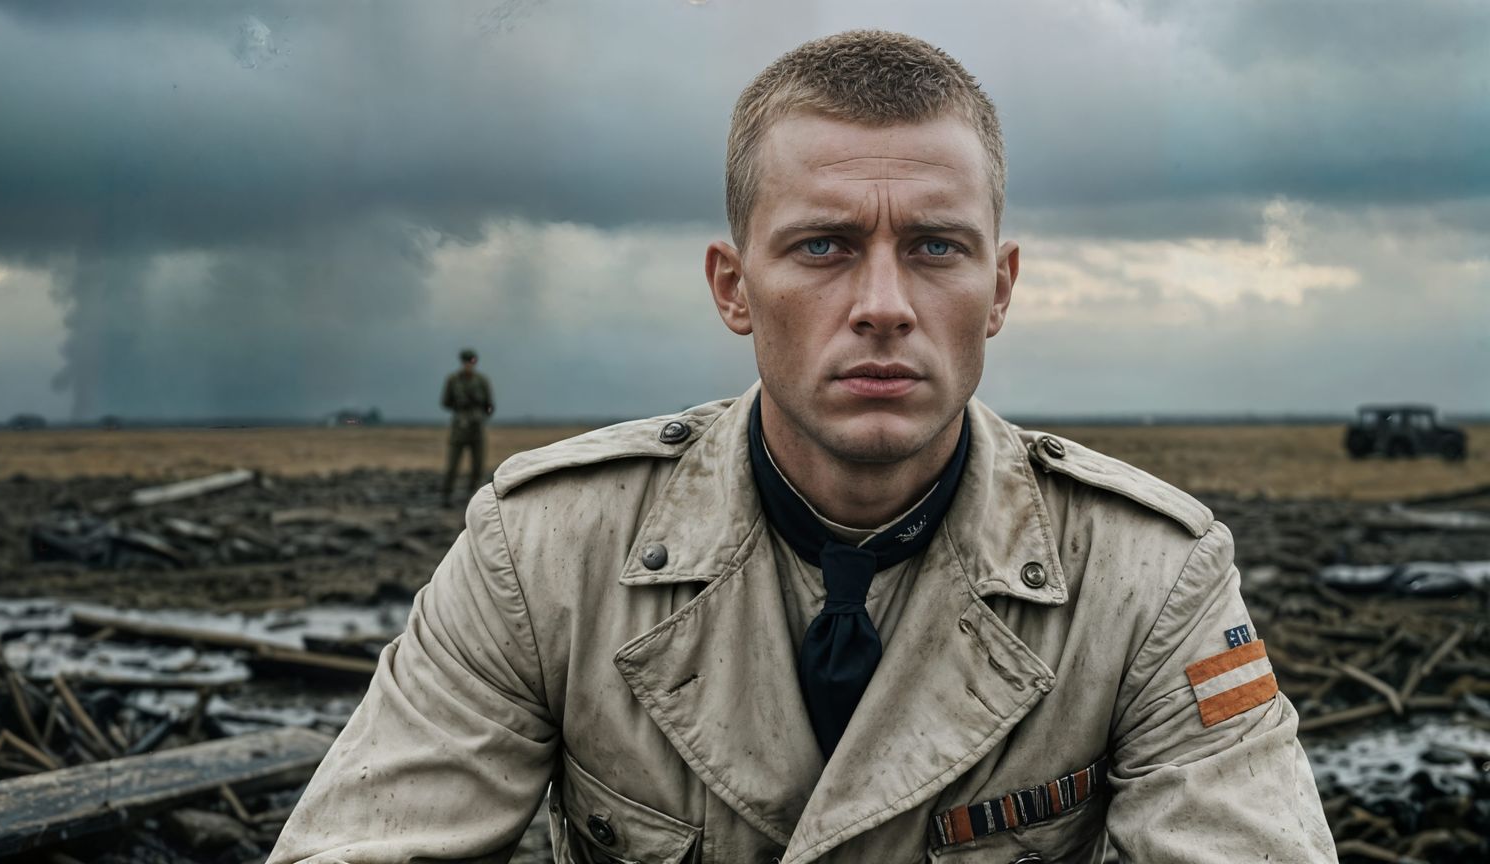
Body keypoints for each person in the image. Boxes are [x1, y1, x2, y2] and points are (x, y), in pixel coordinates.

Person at [271, 31, 1336, 863]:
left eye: (935, 248)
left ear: (999, 289)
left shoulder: (1148, 579)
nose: (883, 305)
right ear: (734, 288)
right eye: (824, 246)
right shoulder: (546, 555)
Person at [439, 347, 494, 505]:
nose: (469, 364)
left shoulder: (482, 381)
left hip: (477, 427)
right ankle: (446, 495)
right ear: (462, 362)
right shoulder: (453, 380)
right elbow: (445, 402)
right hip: (460, 427)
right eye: (467, 362)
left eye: (471, 362)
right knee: (452, 465)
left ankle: (474, 498)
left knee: (478, 466)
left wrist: (483, 414)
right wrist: (459, 408)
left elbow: (490, 405)